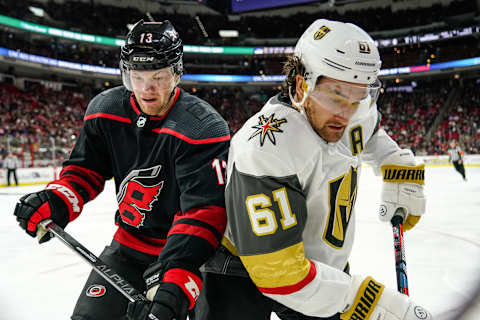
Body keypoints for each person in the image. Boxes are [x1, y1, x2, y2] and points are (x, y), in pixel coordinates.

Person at [196, 19, 432, 320]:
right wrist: (364, 301)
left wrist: (396, 165)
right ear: (300, 85)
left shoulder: (355, 115)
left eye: (358, 97)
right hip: (246, 264)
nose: (345, 113)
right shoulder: (266, 147)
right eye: (334, 95)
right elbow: (277, 272)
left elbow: (372, 135)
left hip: (319, 266)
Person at [14, 19, 230, 320]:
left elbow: (204, 212)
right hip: (127, 249)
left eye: (158, 77)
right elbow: (85, 170)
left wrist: (179, 276)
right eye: (137, 77)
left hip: (185, 255)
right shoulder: (105, 109)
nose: (146, 90)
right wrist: (56, 200)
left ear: (177, 73)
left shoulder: (202, 127)